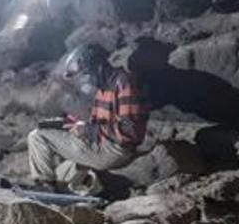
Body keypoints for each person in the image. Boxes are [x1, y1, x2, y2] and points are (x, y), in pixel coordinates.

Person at [27, 43, 151, 191]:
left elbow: (131, 132)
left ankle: (45, 187)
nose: (85, 80)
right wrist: (74, 125)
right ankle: (80, 191)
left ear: (95, 67)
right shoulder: (103, 89)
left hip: (115, 150)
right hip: (103, 146)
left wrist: (88, 130)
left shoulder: (124, 82)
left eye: (85, 74)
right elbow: (96, 125)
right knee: (61, 176)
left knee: (37, 136)